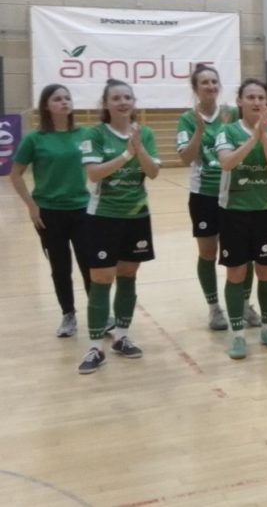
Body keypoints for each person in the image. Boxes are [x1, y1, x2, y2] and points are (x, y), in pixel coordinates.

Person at [77, 79, 161, 374]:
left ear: (133, 102)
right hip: (103, 216)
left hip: (136, 215)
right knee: (101, 278)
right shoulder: (95, 134)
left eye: (127, 97)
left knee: (128, 273)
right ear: (106, 104)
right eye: (116, 98)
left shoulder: (145, 133)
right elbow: (94, 173)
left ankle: (122, 337)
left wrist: (139, 149)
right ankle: (95, 347)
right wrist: (126, 154)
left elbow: (153, 172)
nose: (123, 102)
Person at [176, 65, 259, 331]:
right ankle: (214, 309)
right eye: (205, 82)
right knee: (208, 253)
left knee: (244, 254)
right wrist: (199, 132)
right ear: (195, 88)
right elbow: (185, 158)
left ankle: (244, 303)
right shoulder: (188, 119)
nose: (210, 86)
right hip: (204, 195)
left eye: (214, 81)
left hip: (234, 193)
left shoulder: (232, 112)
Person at [10, 84, 91, 337]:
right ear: (47, 106)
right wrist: (31, 206)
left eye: (67, 98)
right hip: (49, 213)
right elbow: (16, 174)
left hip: (82, 209)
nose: (64, 102)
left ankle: (99, 312)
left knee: (90, 264)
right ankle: (68, 314)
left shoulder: (84, 134)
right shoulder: (35, 139)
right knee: (60, 266)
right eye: (57, 99)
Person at [215, 78, 267, 359]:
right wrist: (253, 138)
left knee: (266, 272)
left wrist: (264, 135)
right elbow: (227, 162)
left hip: (264, 212)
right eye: (251, 97)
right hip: (233, 212)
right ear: (240, 101)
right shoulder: (227, 131)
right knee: (236, 273)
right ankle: (238, 335)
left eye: (260, 98)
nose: (256, 102)